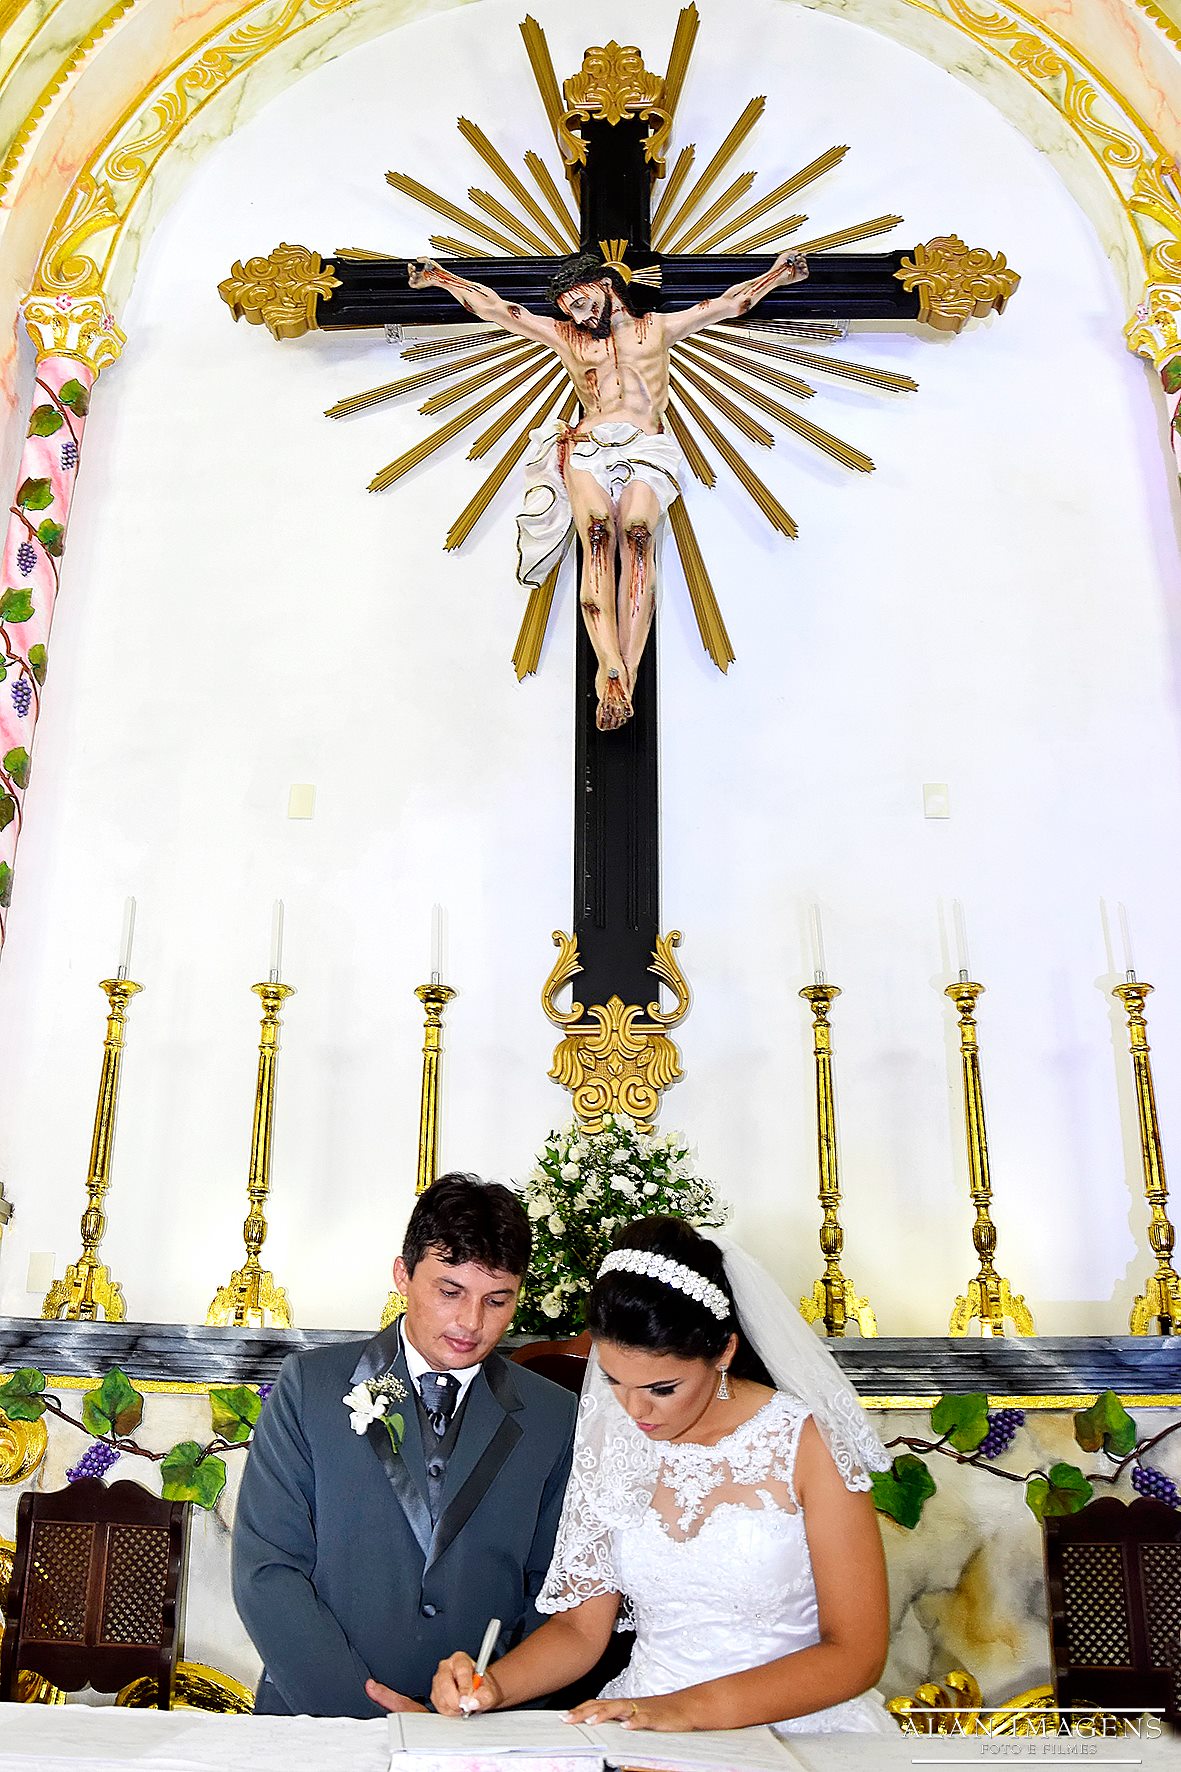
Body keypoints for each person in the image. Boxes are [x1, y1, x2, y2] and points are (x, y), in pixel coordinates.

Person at [430, 1215, 894, 1735]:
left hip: (796, 1730)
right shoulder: (614, 1437)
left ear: (723, 1352)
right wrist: (494, 1686)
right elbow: (582, 1629)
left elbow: (856, 1654)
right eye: (613, 1380)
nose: (634, 1410)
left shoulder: (806, 1444)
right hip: (639, 1725)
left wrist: (684, 1710)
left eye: (662, 1388)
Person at [407, 247, 808, 732]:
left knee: (637, 536)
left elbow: (726, 305)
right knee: (596, 536)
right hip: (589, 444)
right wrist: (443, 277)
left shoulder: (655, 328)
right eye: (568, 309)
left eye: (580, 302)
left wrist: (776, 276)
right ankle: (609, 666)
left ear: (604, 285)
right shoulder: (568, 338)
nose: (577, 314)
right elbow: (502, 311)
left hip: (646, 443)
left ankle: (628, 673)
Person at [231, 1173, 577, 1717]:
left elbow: (555, 1591)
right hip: (322, 1722)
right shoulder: (309, 1388)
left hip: (483, 1730)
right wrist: (366, 1709)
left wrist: (494, 1701)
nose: (471, 1322)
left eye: (497, 1300)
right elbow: (267, 1571)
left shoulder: (555, 1417)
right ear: (402, 1274)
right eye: (449, 1291)